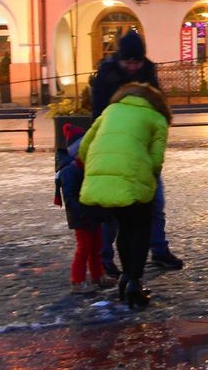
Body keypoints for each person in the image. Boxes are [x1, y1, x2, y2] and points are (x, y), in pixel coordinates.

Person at [91, 31, 184, 274]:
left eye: (137, 61)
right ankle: (105, 257)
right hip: (114, 150)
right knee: (112, 210)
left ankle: (159, 250)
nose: (133, 66)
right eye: (128, 61)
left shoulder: (147, 71)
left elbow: (159, 107)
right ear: (120, 58)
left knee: (155, 203)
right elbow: (98, 116)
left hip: (141, 151)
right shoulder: (107, 75)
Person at [79, 82, 171, 309]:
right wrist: (148, 179)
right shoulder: (157, 118)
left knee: (124, 227)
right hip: (134, 181)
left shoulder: (110, 110)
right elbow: (157, 160)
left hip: (103, 181)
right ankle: (134, 282)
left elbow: (84, 146)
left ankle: (125, 278)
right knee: (140, 229)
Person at [55, 124, 113, 293]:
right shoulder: (69, 171)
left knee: (97, 246)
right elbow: (70, 197)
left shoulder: (85, 166)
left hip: (92, 212)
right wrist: (83, 212)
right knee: (84, 248)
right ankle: (77, 281)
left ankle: (97, 276)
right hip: (81, 215)